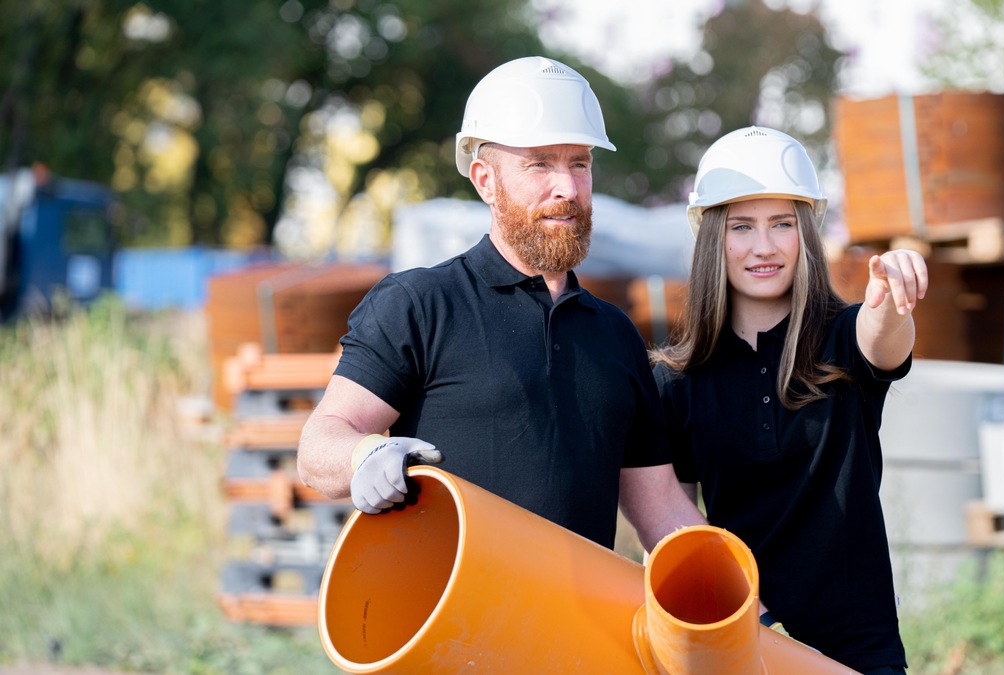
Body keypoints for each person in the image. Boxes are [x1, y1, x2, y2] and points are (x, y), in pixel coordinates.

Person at [296, 56, 705, 552]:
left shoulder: (615, 335)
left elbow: (660, 505)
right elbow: (320, 444)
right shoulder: (420, 305)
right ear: (485, 180)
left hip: (576, 626)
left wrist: (744, 602)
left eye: (580, 163)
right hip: (453, 623)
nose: (567, 188)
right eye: (540, 164)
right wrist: (363, 455)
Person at [651, 126, 926, 674]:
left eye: (782, 224)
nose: (764, 246)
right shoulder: (676, 381)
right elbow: (669, 527)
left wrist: (893, 298)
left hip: (857, 649)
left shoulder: (844, 340)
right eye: (742, 226)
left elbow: (884, 339)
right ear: (712, 238)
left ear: (806, 233)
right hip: (740, 646)